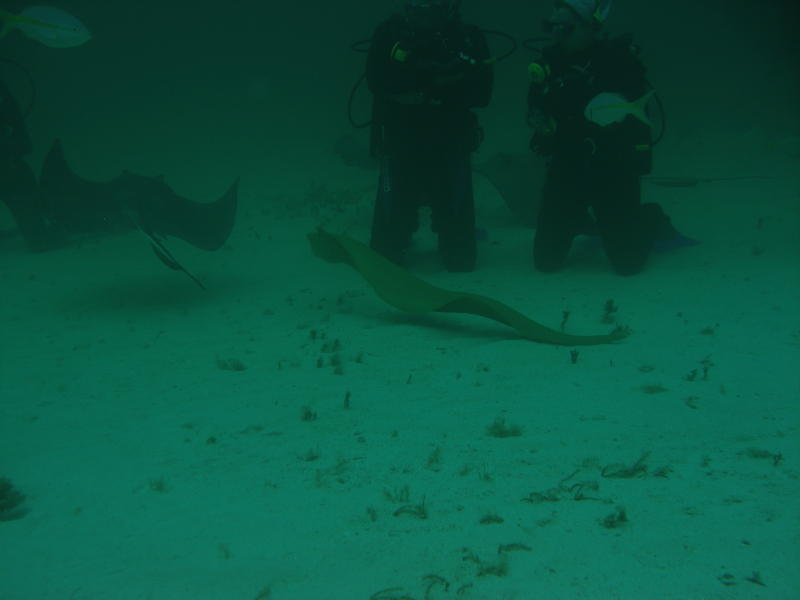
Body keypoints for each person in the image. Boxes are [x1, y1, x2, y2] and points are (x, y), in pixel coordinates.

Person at [527, 0, 681, 275]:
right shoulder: (548, 64)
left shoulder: (619, 61)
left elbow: (637, 120)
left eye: (565, 28)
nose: (556, 35)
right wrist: (541, 126)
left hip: (613, 169)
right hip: (567, 166)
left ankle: (650, 218)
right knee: (545, 262)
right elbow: (535, 109)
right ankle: (577, 219)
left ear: (590, 28)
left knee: (627, 264)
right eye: (551, 27)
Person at [366, 0, 493, 272]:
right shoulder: (389, 35)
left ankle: (451, 235)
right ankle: (397, 233)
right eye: (415, 5)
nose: (422, 12)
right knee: (383, 256)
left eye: (431, 5)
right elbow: (375, 81)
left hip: (450, 143)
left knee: (461, 261)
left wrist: (436, 90)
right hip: (400, 142)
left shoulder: (468, 39)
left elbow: (483, 93)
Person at [1, 78, 60, 251]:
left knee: (17, 175)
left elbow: (23, 144)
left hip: (9, 166)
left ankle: (37, 235)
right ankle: (38, 236)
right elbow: (24, 144)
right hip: (10, 166)